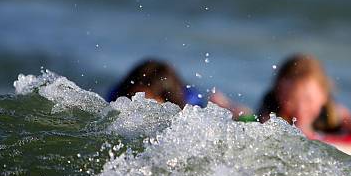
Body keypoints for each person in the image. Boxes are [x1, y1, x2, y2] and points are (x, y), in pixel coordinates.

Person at [257, 54, 351, 139]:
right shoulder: (272, 114)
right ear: (278, 93)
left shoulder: (332, 112)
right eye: (292, 100)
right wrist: (302, 128)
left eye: (308, 100)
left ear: (323, 96)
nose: (301, 107)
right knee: (242, 113)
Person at [107, 59, 250, 118]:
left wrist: (233, 111)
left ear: (167, 100)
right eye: (134, 98)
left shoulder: (191, 108)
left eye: (148, 102)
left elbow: (249, 117)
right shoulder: (116, 97)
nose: (137, 106)